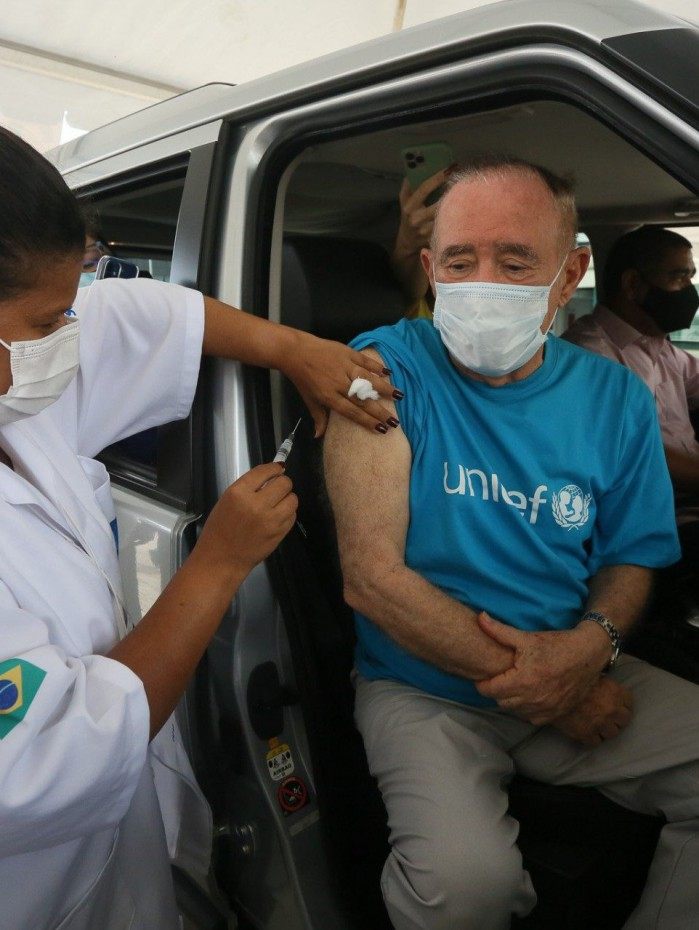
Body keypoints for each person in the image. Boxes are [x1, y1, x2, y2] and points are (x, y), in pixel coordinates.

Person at [0, 125, 402, 930]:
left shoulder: (20, 396)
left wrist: (292, 348)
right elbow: (44, 759)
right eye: (46, 326)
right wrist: (217, 565)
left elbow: (141, 314)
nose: (64, 343)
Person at [324, 156, 699, 930]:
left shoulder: (615, 397)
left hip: (571, 662)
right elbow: (371, 578)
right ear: (429, 270)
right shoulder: (381, 367)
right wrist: (549, 685)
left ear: (570, 275)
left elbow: (631, 557)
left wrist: (588, 649)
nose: (482, 280)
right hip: (422, 688)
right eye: (460, 260)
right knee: (465, 888)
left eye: (516, 259)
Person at [563, 228, 699, 626]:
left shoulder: (661, 347)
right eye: (678, 277)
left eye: (691, 277)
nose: (688, 289)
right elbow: (637, 457)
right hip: (660, 517)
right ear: (634, 285)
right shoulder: (590, 355)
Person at [390, 169, 448, 318]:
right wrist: (408, 245)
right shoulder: (416, 330)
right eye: (460, 266)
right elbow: (408, 293)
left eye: (513, 267)